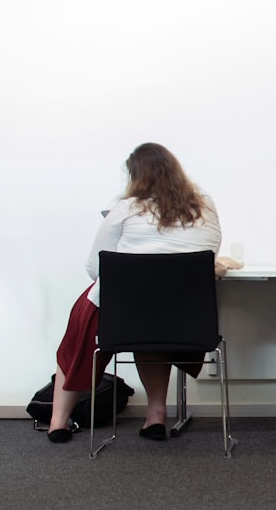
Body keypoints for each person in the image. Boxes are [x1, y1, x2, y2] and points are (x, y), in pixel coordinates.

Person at [47, 143, 222, 443]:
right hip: (184, 316)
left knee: (81, 329)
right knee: (151, 329)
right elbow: (210, 254)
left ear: (136, 176)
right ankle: (155, 416)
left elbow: (95, 268)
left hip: (128, 314)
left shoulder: (125, 209)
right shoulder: (203, 207)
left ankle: (58, 423)